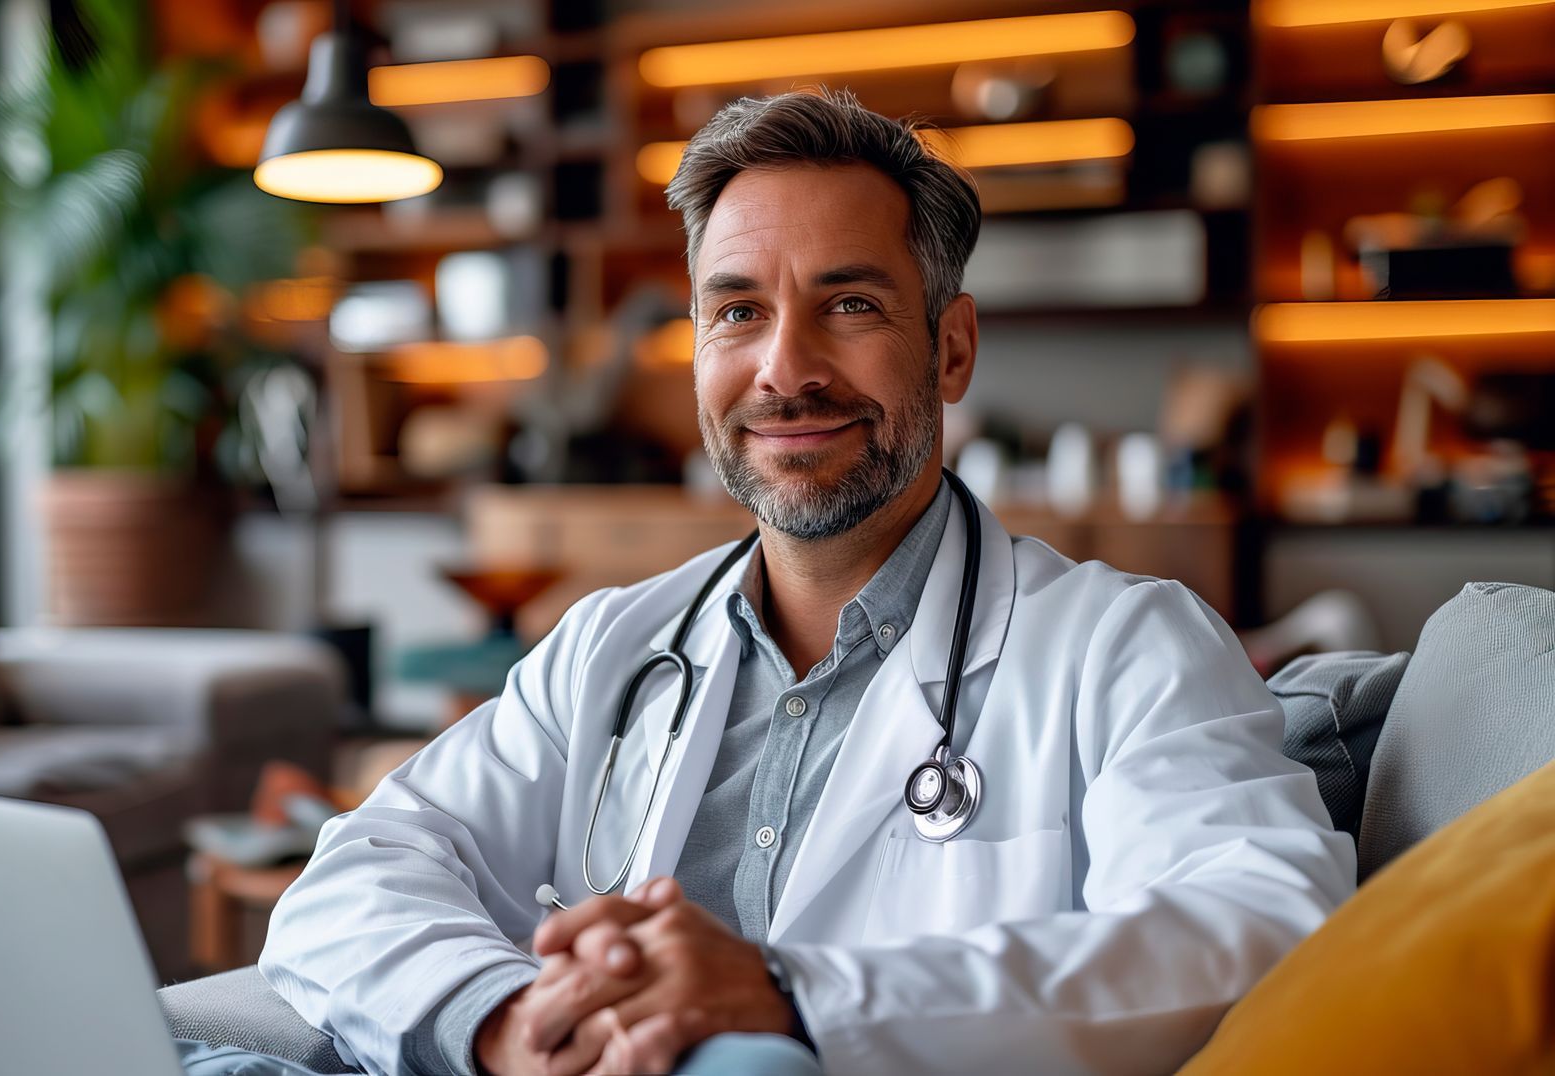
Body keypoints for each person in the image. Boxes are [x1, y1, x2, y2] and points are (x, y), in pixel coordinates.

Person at [197, 90, 1355, 1075]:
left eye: (850, 305)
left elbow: (1258, 926)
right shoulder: (614, 643)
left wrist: (792, 991)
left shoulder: (1126, 647)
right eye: (737, 310)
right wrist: (505, 1020)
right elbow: (357, 872)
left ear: (950, 348)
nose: (785, 370)